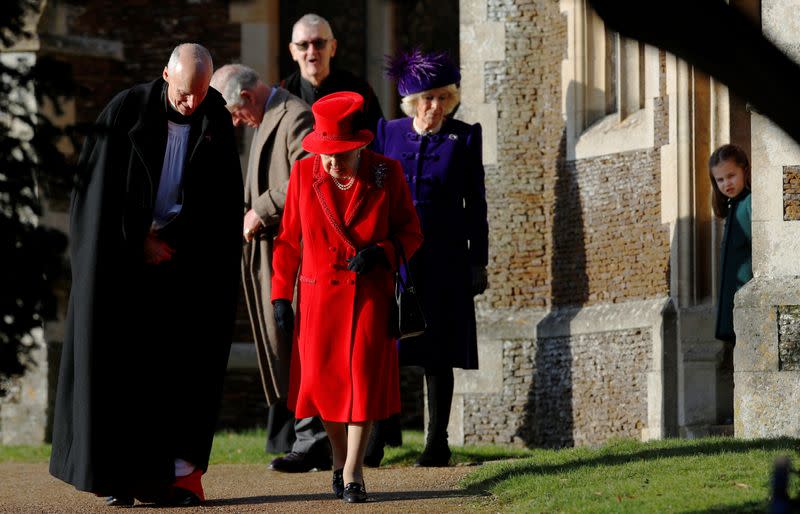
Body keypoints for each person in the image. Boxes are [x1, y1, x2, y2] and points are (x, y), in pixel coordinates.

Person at [49, 44, 243, 507]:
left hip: (181, 265)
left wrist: (176, 241)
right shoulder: (125, 111)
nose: (190, 104)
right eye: (182, 94)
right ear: (164, 76)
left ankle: (167, 480)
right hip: (122, 266)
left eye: (199, 94)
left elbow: (219, 201)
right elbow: (97, 196)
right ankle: (115, 477)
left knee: (172, 377)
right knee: (121, 372)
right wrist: (137, 240)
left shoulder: (212, 114)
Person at [271, 91, 423, 503]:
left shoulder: (386, 173)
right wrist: (281, 296)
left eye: (342, 154)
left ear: (360, 144)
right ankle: (339, 459)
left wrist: (383, 253)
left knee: (362, 384)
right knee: (323, 389)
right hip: (318, 301)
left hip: (368, 298)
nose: (333, 162)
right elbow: (287, 242)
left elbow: (411, 232)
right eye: (327, 153)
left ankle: (354, 471)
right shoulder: (304, 175)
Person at [209, 64, 332, 472]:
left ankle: (312, 439)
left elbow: (309, 172)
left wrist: (260, 210)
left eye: (233, 112)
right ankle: (307, 436)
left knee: (298, 346)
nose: (235, 122)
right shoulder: (268, 117)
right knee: (286, 345)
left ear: (245, 97)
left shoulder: (294, 114)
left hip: (292, 255)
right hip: (272, 254)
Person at [370, 49, 489, 467]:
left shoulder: (465, 136)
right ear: (411, 101)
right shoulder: (389, 133)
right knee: (387, 348)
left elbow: (475, 203)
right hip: (396, 260)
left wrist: (479, 260)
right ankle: (380, 437)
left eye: (442, 97)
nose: (434, 106)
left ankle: (436, 442)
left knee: (439, 353)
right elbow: (375, 194)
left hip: (446, 260)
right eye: (427, 98)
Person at [281, 13, 383, 133]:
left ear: (333, 47)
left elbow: (379, 140)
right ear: (293, 51)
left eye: (319, 43)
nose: (311, 51)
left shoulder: (358, 91)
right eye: (303, 45)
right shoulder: (282, 96)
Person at [709, 143, 752, 342]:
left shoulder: (750, 203)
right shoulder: (731, 208)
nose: (727, 183)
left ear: (744, 170)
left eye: (731, 176)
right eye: (720, 179)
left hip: (749, 307)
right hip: (732, 312)